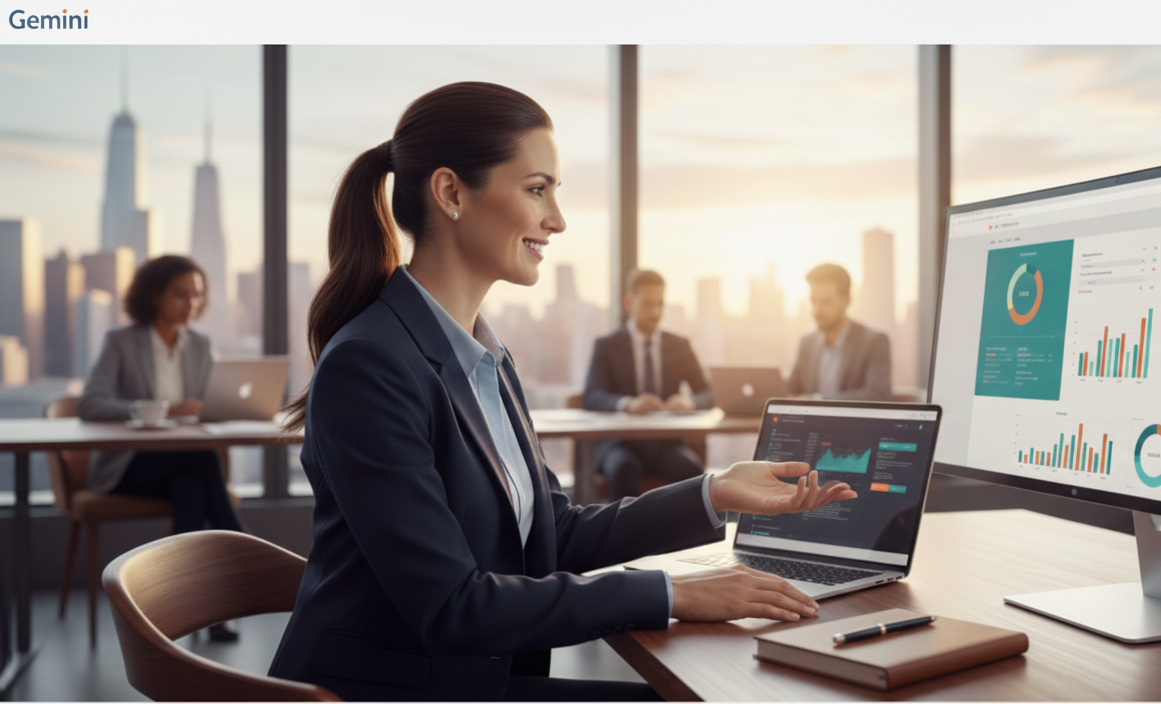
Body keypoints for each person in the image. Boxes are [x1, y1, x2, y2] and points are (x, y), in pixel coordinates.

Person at [267, 82, 857, 702]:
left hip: (478, 677)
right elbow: (450, 606)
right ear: (450, 194)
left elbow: (554, 533)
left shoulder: (484, 355)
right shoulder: (371, 365)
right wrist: (671, 594)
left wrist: (713, 493)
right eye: (536, 189)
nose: (557, 219)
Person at [76, 254, 244, 642]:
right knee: (200, 461)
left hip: (182, 466)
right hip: (129, 468)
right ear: (155, 296)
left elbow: (212, 402)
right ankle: (239, 549)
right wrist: (161, 410)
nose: (191, 304)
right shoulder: (121, 341)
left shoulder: (200, 345)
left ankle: (191, 607)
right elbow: (90, 403)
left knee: (191, 485)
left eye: (197, 296)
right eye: (181, 295)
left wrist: (219, 408)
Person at [582, 269, 713, 500]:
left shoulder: (680, 345)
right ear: (629, 303)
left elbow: (708, 393)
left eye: (660, 304)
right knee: (623, 468)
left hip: (666, 444)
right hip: (620, 444)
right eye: (648, 304)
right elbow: (592, 395)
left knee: (691, 470)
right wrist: (628, 404)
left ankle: (684, 536)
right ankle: (626, 536)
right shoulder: (607, 346)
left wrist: (688, 402)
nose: (655, 312)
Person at [787, 263, 894, 401]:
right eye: (813, 302)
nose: (817, 311)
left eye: (826, 302)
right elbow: (791, 391)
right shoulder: (807, 342)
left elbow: (878, 394)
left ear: (847, 300)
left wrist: (817, 401)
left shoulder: (875, 342)